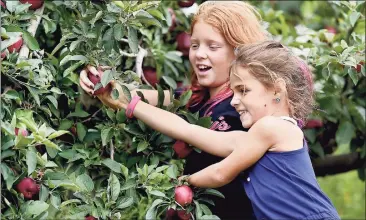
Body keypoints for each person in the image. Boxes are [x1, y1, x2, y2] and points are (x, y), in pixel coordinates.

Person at [94, 40, 340, 220]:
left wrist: (185, 181)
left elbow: (222, 174)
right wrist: (130, 104)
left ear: (277, 90)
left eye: (243, 90)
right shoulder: (255, 139)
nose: (233, 101)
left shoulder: (273, 128)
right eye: (233, 92)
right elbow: (187, 130)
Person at [80, 1, 268, 219]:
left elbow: (180, 127)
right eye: (195, 45)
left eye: (213, 46)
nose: (199, 54)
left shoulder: (247, 109)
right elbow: (136, 95)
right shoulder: (195, 98)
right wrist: (101, 81)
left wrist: (128, 104)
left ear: (239, 52)